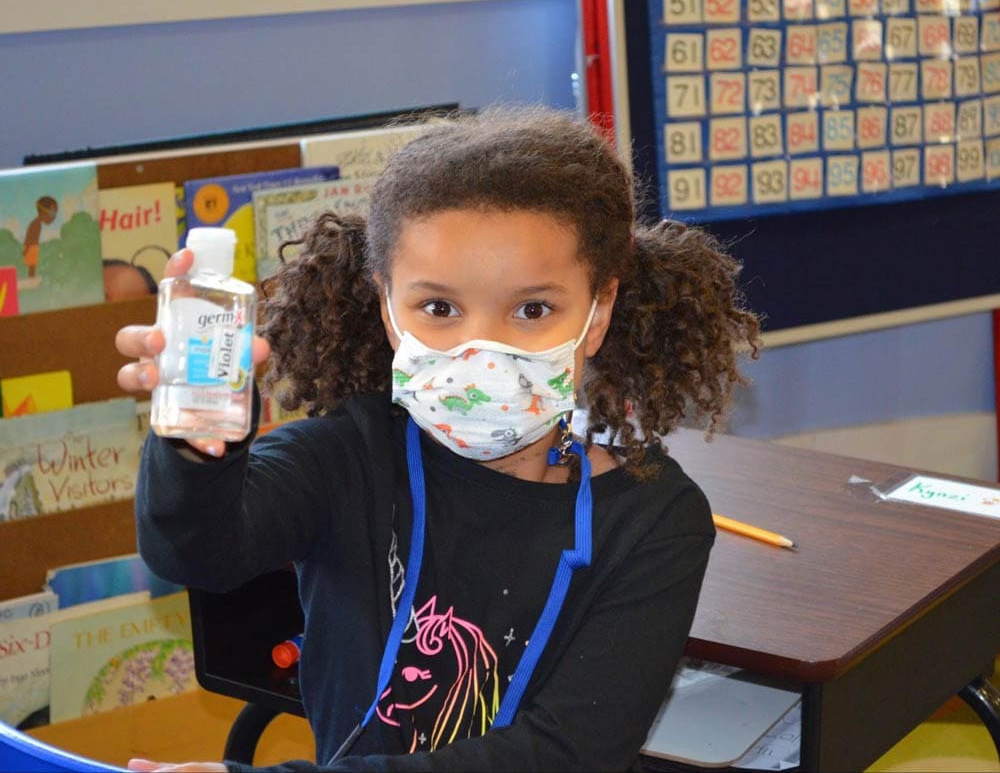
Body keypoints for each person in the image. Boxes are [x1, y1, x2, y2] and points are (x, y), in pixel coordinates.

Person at [116, 106, 761, 772]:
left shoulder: (654, 520)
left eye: (532, 309)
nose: (481, 348)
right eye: (440, 308)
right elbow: (195, 550)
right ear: (388, 306)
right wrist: (196, 438)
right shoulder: (350, 455)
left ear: (596, 314)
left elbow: (569, 753)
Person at [23, 195, 58, 279]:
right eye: (52, 213)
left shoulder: (37, 223)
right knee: (32, 265)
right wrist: (26, 250)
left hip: (33, 247)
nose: (53, 216)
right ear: (43, 212)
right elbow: (29, 238)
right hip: (31, 248)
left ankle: (31, 276)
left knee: (33, 264)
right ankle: (31, 277)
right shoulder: (36, 224)